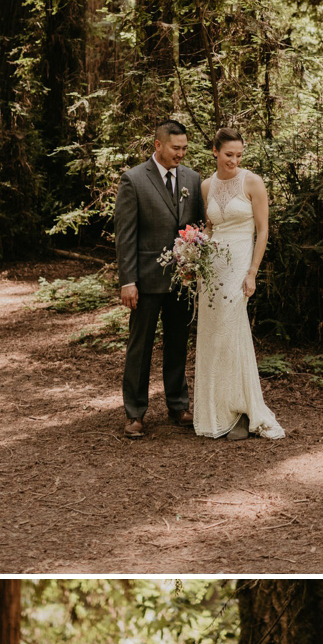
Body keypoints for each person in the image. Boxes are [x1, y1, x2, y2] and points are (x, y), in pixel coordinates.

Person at [113, 118, 207, 441]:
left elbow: (195, 226)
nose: (181, 153)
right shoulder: (134, 180)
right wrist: (128, 280)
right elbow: (125, 236)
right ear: (158, 145)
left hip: (182, 277)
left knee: (178, 343)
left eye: (184, 148)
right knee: (140, 346)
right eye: (175, 148)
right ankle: (135, 413)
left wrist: (195, 261)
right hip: (146, 279)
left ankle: (178, 405)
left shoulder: (193, 180)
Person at [191, 127, 285, 440]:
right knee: (212, 335)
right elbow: (207, 228)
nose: (234, 160)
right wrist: (191, 255)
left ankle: (244, 410)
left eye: (239, 155)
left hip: (240, 262)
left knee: (232, 333)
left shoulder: (252, 182)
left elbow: (263, 230)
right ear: (215, 152)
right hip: (212, 267)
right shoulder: (206, 186)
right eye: (228, 154)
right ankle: (218, 410)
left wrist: (252, 272)